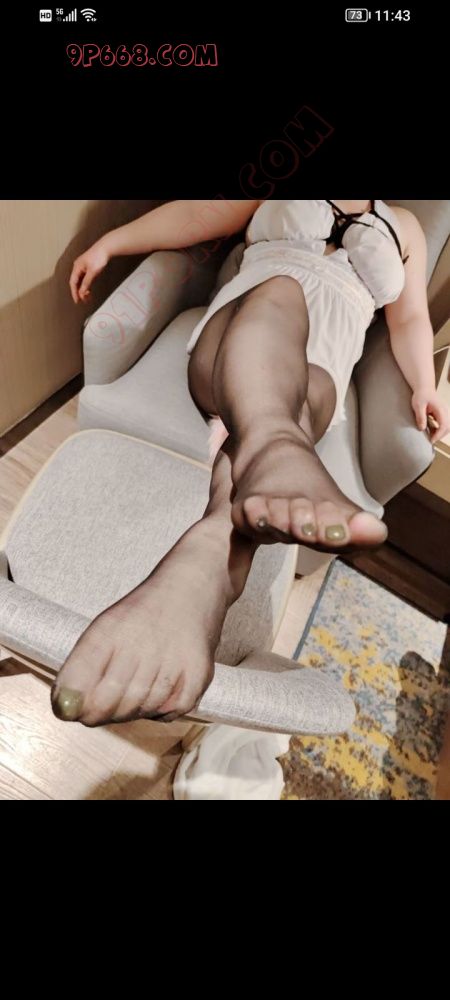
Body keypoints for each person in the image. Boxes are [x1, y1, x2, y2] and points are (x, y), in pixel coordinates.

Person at [52, 199, 450, 727]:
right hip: (235, 340)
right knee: (281, 290)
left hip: (320, 369)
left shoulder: (407, 229)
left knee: (294, 401)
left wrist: (424, 385)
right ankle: (276, 452)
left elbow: (412, 319)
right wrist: (111, 243)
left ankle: (212, 552)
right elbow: (195, 216)